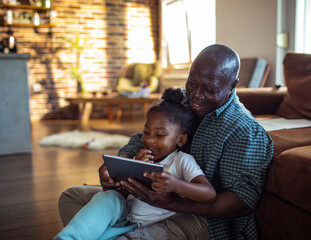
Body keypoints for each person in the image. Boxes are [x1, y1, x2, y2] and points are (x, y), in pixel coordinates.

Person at [58, 44, 274, 239]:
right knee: (71, 197)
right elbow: (139, 138)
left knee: (93, 224)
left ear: (233, 85)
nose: (196, 95)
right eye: (192, 83)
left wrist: (175, 202)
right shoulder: (180, 99)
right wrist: (119, 166)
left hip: (198, 217)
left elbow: (241, 203)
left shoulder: (243, 130)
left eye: (209, 89)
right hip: (142, 203)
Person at [55, 88, 216, 240]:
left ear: (181, 140)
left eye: (160, 135)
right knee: (107, 197)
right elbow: (125, 195)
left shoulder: (181, 161)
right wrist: (126, 174)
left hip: (144, 226)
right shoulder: (140, 158)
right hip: (123, 217)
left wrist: (176, 185)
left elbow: (209, 193)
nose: (149, 140)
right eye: (146, 132)